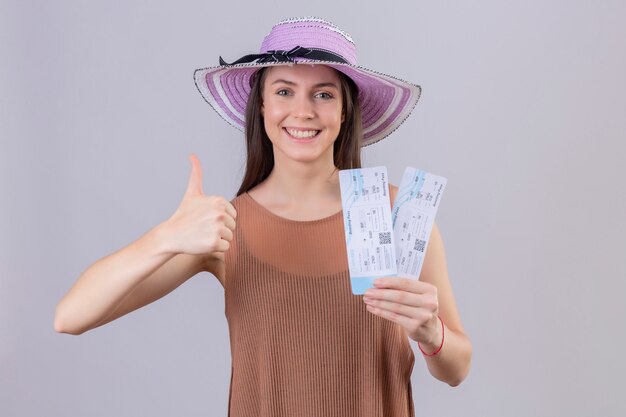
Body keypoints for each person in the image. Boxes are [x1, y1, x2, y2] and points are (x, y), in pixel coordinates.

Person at [55, 16, 472, 416]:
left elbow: (457, 368)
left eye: (324, 94)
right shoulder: (224, 228)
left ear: (345, 112)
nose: (303, 111)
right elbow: (71, 317)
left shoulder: (397, 213)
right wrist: (165, 237)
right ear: (260, 106)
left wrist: (430, 333)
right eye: (284, 91)